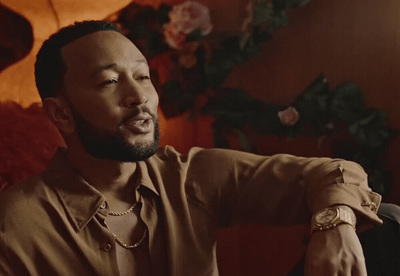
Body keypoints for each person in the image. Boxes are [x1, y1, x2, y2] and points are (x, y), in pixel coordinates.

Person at [0, 20, 387, 276]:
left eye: (143, 76)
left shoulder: (189, 175)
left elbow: (331, 172)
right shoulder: (17, 225)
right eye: (109, 82)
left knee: (389, 229)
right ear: (61, 114)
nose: (139, 97)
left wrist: (334, 221)